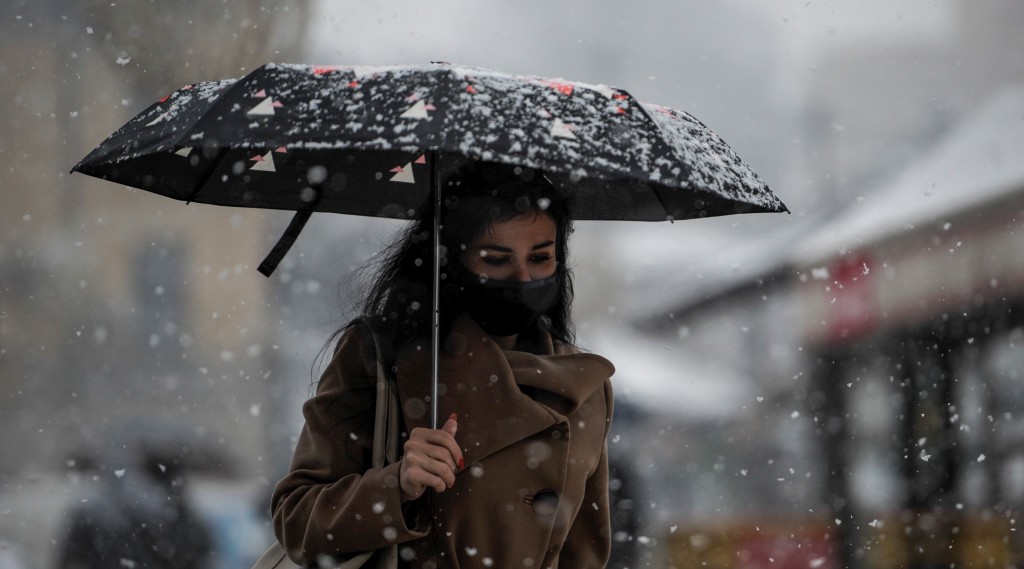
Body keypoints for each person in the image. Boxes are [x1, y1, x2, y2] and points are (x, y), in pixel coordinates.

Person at [271, 162, 616, 568]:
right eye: (496, 258)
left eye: (541, 258)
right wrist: (395, 486)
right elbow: (297, 521)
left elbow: (585, 554)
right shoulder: (382, 357)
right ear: (450, 260)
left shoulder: (586, 386)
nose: (523, 278)